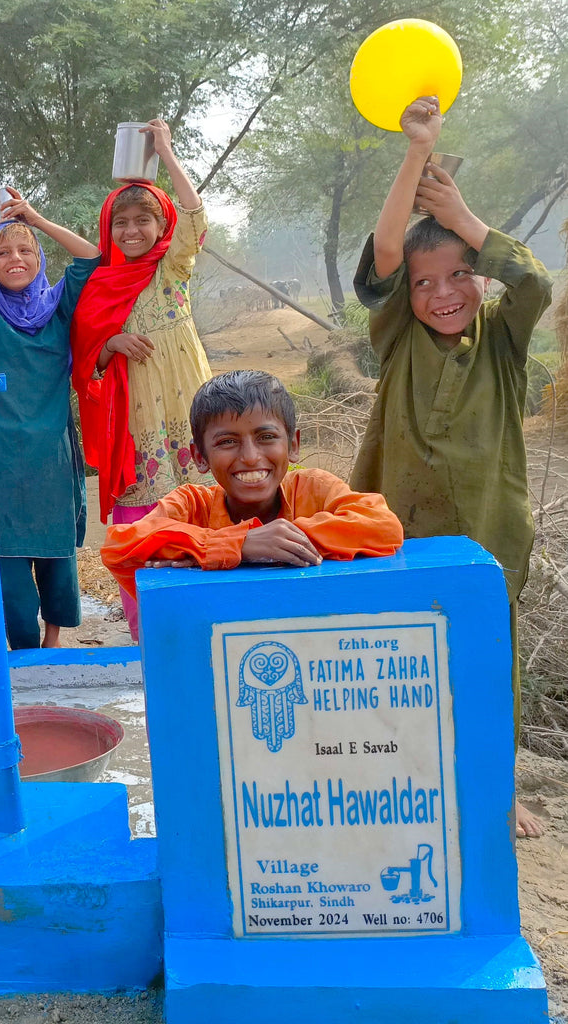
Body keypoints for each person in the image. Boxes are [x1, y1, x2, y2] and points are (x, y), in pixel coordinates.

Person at [348, 97, 553, 839]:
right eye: (427, 283)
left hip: (491, 536)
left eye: (462, 275)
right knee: (398, 659)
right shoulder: (398, 338)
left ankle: (496, 786)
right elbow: (388, 259)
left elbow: (533, 284)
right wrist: (415, 153)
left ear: (482, 279)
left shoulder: (502, 341)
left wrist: (466, 219)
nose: (443, 293)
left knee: (487, 663)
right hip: (398, 531)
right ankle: (402, 777)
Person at [0, 124, 101, 649]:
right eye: (5, 252)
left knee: (56, 556)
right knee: (5, 561)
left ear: (38, 259)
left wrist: (35, 219)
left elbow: (92, 257)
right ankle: (23, 652)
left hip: (51, 453)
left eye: (25, 251)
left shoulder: (57, 306)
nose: (15, 260)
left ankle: (54, 643)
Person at [71, 118, 215, 639]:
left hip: (190, 411)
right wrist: (110, 344)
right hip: (135, 425)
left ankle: (203, 623)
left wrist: (168, 153)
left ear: (162, 225)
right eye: (121, 223)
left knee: (203, 513)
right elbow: (85, 360)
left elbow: (197, 217)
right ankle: (145, 634)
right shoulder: (102, 284)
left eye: (144, 220)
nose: (132, 231)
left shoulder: (172, 269)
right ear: (108, 230)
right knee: (141, 528)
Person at [101, 370, 403, 599]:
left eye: (266, 437)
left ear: (293, 445)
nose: (249, 456)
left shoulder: (314, 489)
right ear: (200, 456)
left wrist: (282, 542)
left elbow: (383, 526)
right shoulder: (192, 505)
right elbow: (119, 547)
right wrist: (238, 545)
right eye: (227, 442)